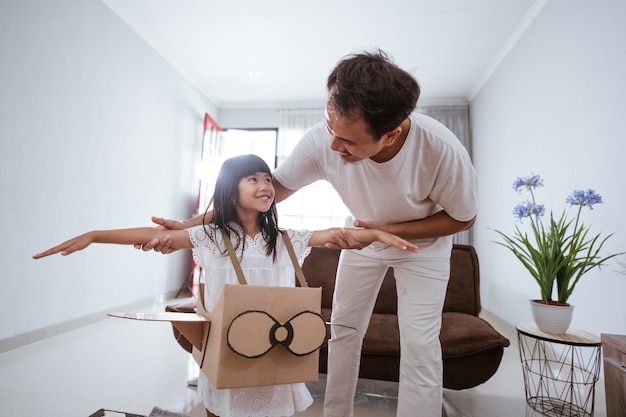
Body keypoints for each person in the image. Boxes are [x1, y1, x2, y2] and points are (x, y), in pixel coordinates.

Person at [138, 50, 477, 417]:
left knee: (420, 344)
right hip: (360, 242)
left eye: (346, 140)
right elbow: (269, 194)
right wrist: (193, 223)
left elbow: (463, 218)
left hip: (422, 249)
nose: (333, 145)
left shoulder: (440, 150)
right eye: (330, 127)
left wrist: (386, 231)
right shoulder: (323, 140)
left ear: (391, 134)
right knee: (344, 331)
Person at [33, 154, 418, 417]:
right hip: (229, 349)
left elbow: (338, 234)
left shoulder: (286, 239)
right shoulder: (211, 237)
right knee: (222, 408)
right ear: (231, 191)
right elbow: (149, 232)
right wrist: (94, 235)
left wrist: (380, 236)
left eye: (268, 179)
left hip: (275, 351)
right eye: (253, 179)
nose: (266, 184)